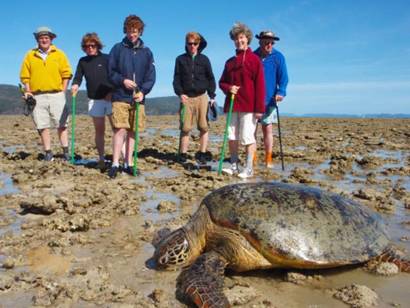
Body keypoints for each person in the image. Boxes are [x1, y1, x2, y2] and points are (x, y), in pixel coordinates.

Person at [107, 15, 156, 179]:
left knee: (133, 131)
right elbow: (110, 72)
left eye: (135, 31)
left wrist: (143, 92)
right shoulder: (117, 49)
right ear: (125, 30)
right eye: (129, 31)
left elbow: (151, 76)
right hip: (120, 96)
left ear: (140, 32)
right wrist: (123, 81)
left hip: (138, 98)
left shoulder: (147, 52)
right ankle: (115, 163)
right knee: (120, 129)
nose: (132, 34)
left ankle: (129, 163)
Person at [219, 23, 266, 178]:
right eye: (236, 39)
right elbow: (222, 82)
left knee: (247, 137)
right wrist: (229, 88)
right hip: (232, 105)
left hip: (249, 106)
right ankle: (234, 166)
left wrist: (259, 109)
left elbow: (260, 86)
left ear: (247, 39)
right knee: (232, 136)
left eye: (241, 38)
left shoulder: (255, 60)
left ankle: (249, 168)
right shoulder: (229, 62)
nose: (239, 41)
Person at [19, 26, 72, 161]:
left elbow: (66, 73)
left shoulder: (59, 54)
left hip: (57, 94)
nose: (44, 40)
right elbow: (25, 76)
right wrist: (28, 91)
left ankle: (66, 151)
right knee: (42, 126)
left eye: (46, 38)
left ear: (51, 39)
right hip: (37, 96)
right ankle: (48, 153)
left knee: (62, 124)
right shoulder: (30, 55)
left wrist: (63, 91)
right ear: (37, 39)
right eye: (41, 38)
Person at [71, 32, 113, 170]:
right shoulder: (83, 61)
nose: (90, 48)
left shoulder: (107, 58)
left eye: (92, 45)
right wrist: (75, 85)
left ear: (98, 45)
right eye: (86, 46)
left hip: (111, 99)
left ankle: (122, 158)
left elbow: (116, 76)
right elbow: (78, 77)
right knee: (99, 130)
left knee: (117, 129)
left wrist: (112, 92)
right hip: (95, 100)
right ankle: (101, 158)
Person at [173, 32, 216, 164]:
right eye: (189, 43)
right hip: (186, 98)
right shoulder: (180, 59)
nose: (192, 46)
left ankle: (202, 153)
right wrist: (180, 93)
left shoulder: (204, 59)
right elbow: (176, 79)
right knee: (185, 128)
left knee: (203, 126)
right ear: (186, 44)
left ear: (199, 44)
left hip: (202, 97)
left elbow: (211, 78)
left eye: (195, 43)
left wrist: (212, 95)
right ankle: (183, 154)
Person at [254, 30, 288, 168]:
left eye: (271, 42)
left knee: (267, 129)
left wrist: (281, 92)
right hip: (253, 101)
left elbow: (284, 78)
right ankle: (253, 158)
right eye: (266, 42)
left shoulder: (278, 57)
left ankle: (268, 159)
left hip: (270, 100)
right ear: (260, 41)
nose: (269, 45)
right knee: (251, 131)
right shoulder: (253, 56)